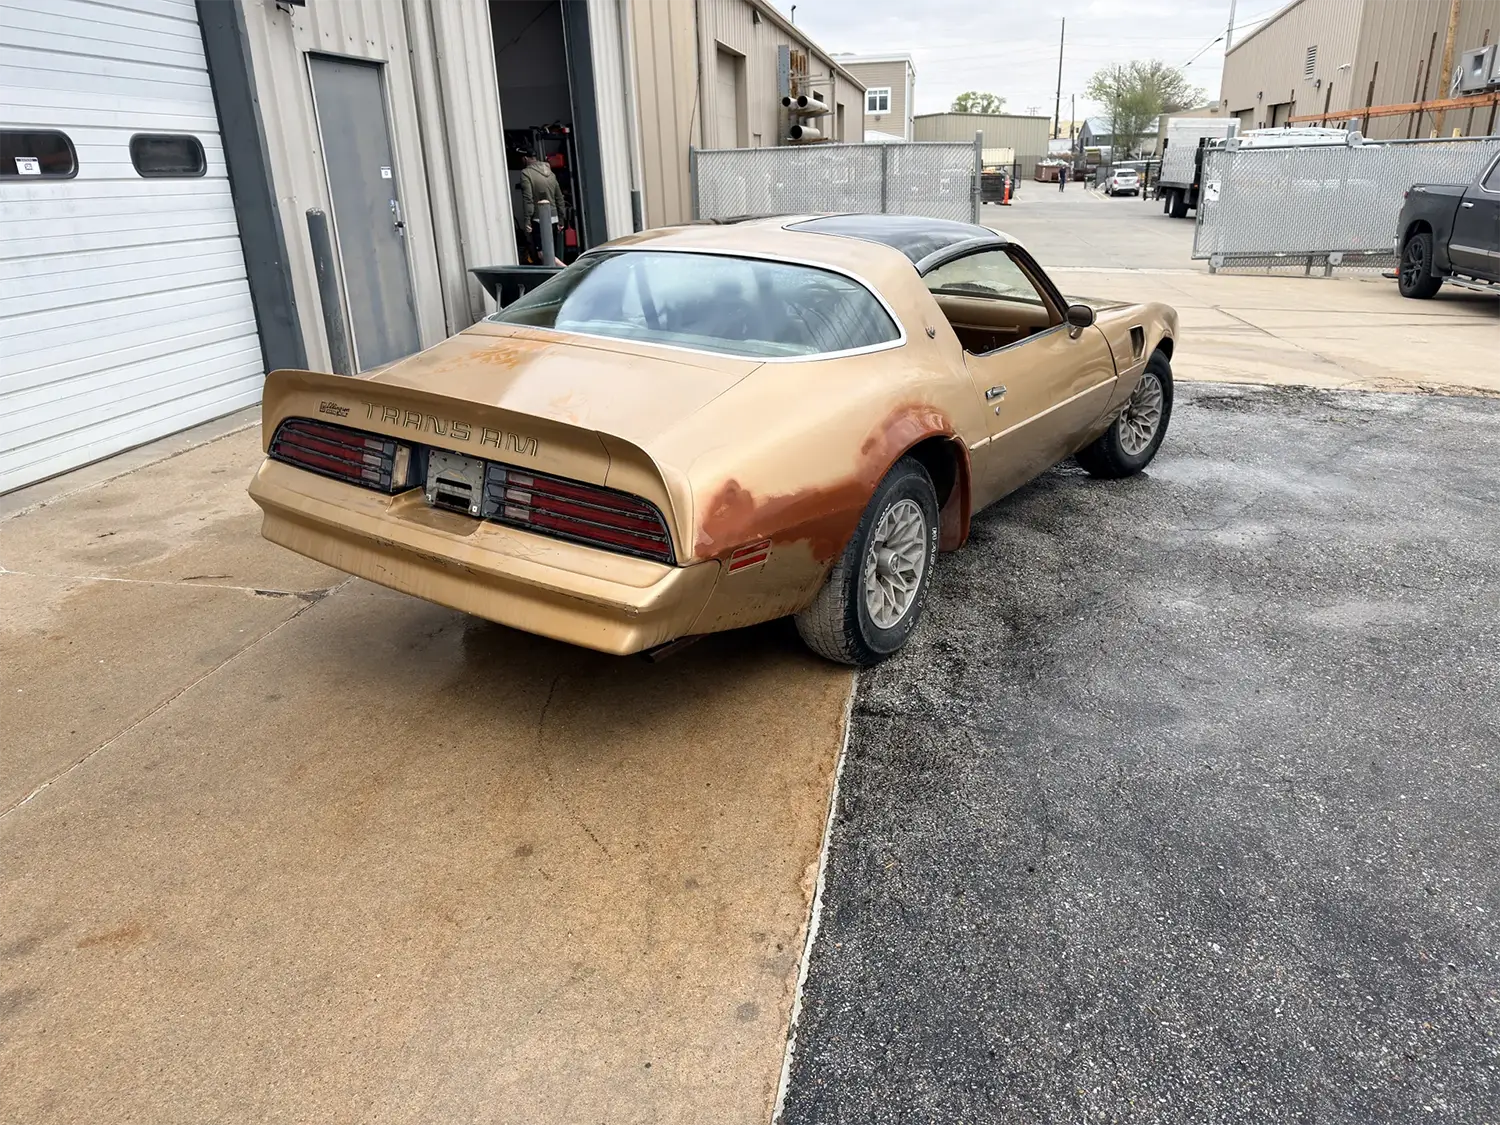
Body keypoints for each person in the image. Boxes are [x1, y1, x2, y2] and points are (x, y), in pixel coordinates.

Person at [517, 147, 565, 266]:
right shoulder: (551, 173)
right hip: (554, 217)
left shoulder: (526, 173)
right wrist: (561, 219)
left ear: (525, 158)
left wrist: (527, 221)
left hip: (539, 218)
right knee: (551, 250)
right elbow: (559, 197)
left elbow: (528, 199)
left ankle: (568, 270)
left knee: (542, 253)